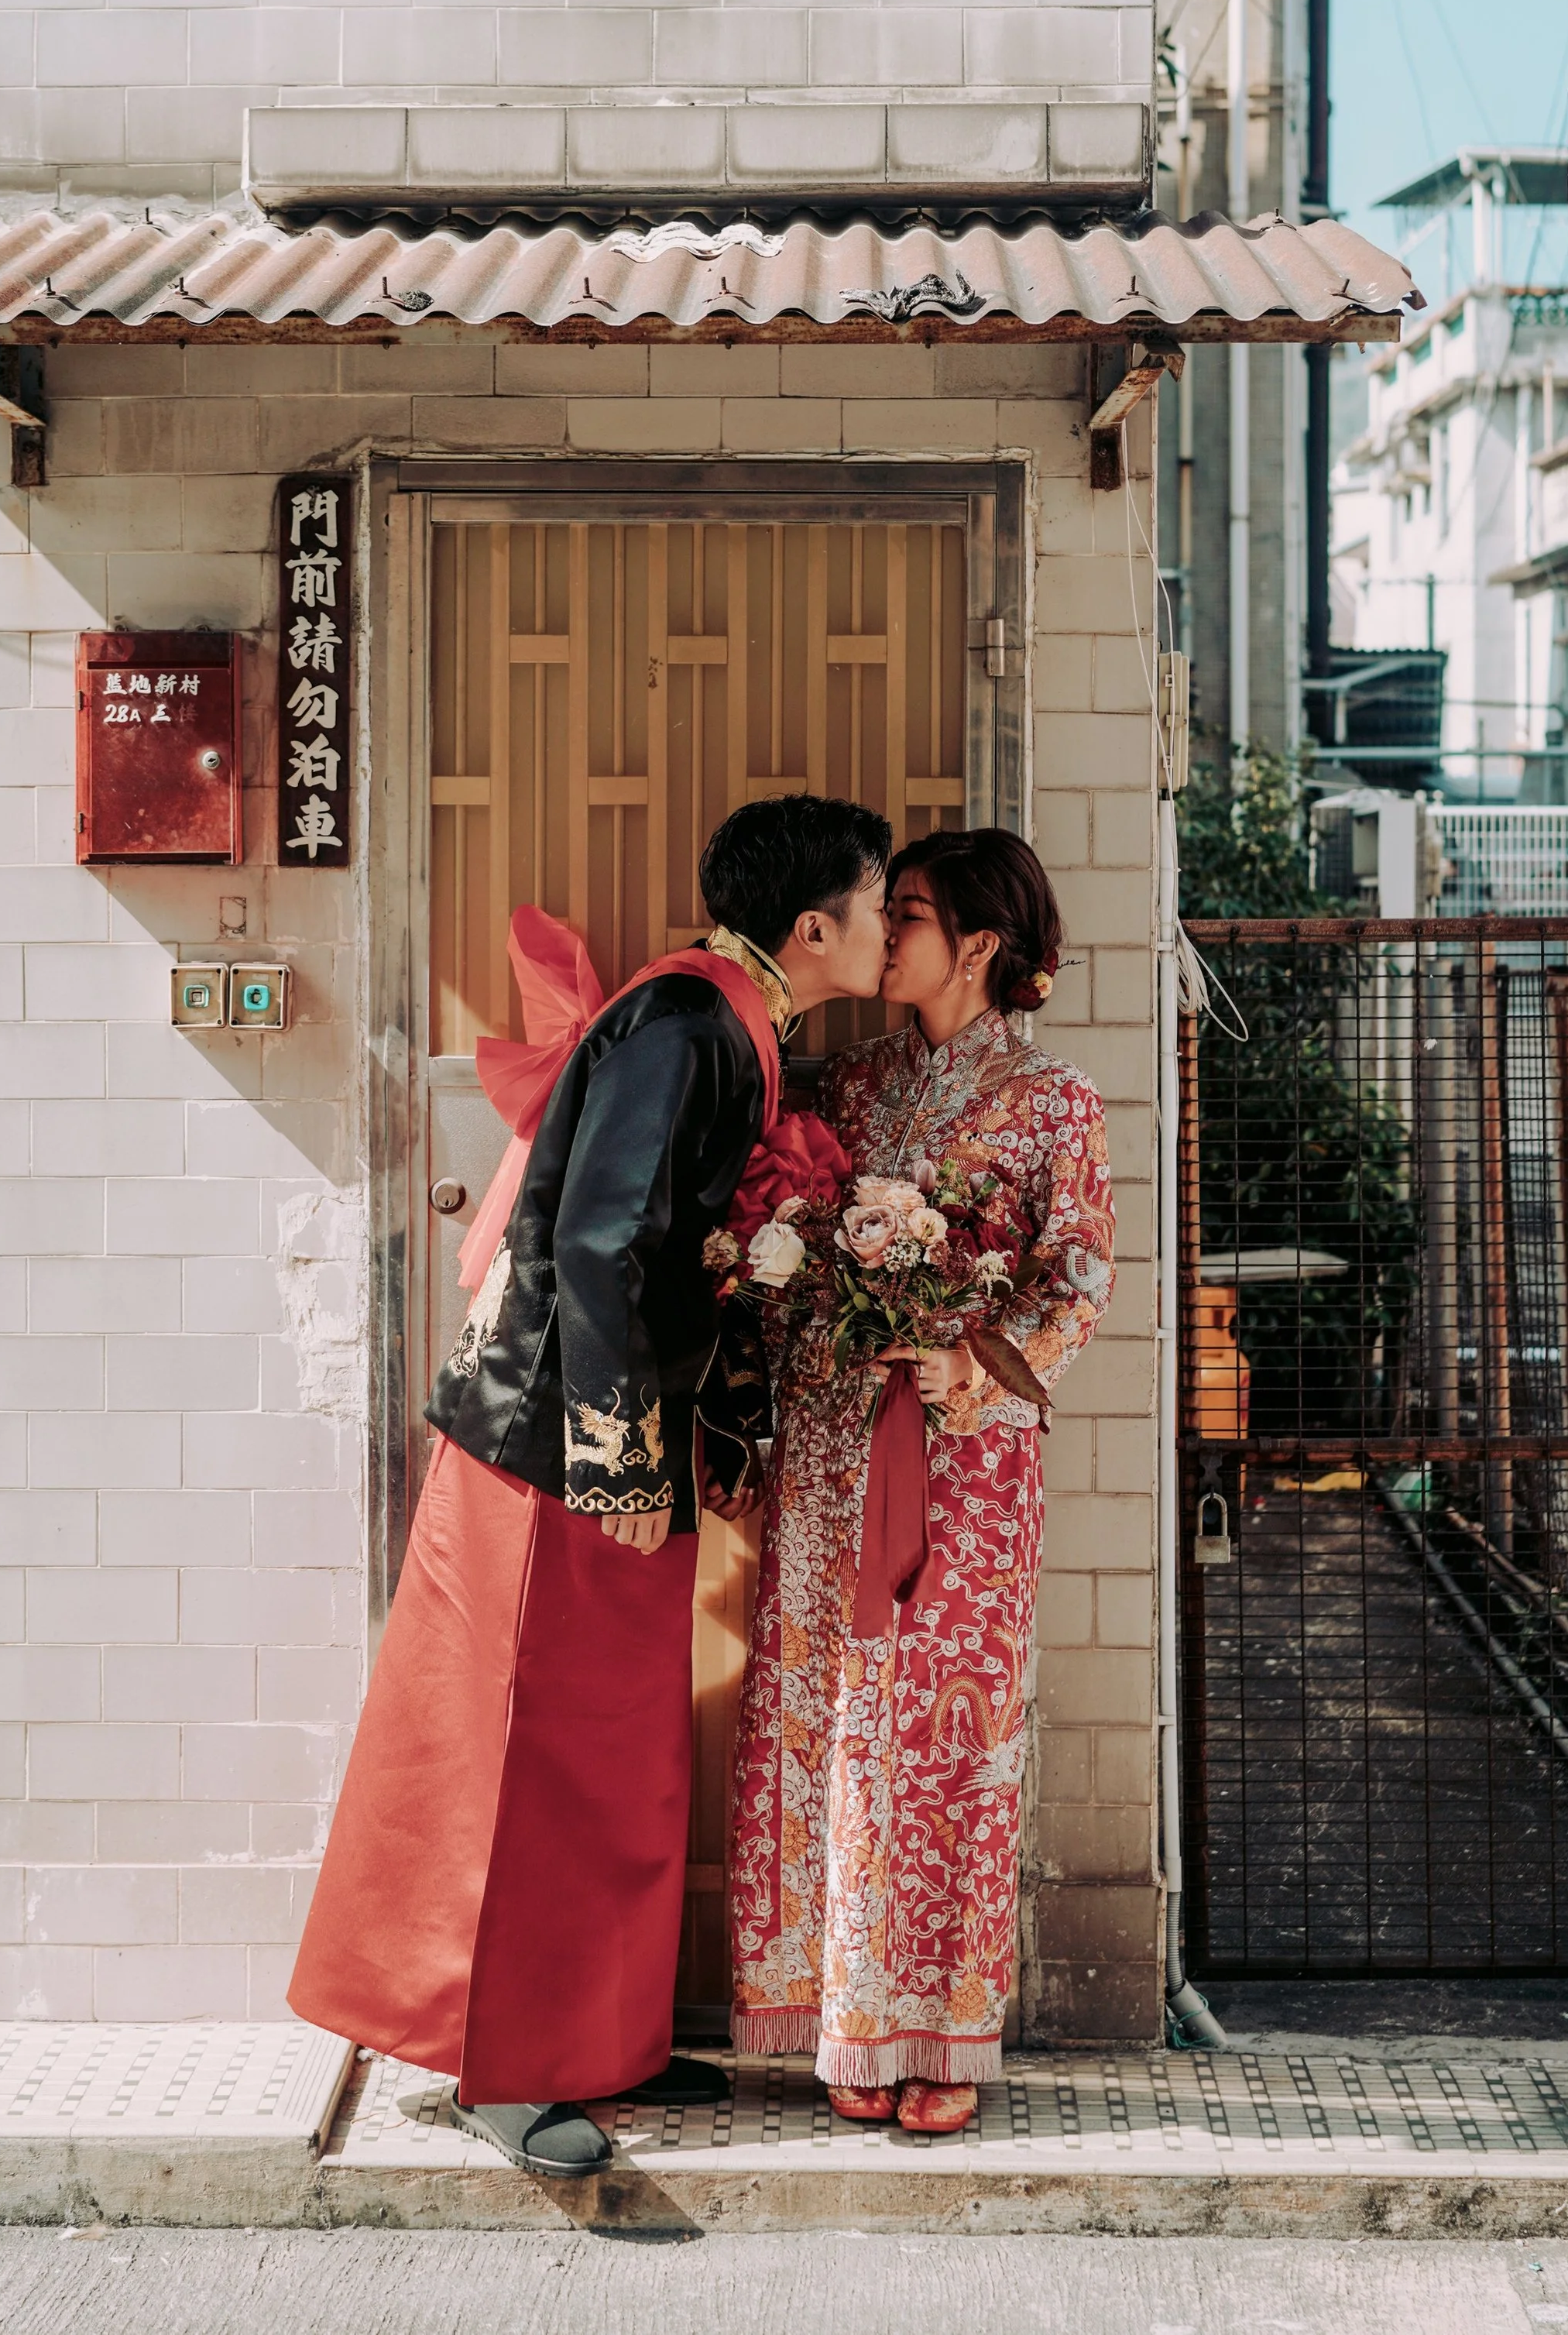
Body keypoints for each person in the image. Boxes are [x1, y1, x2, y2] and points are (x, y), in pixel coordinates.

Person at [288, 795, 892, 2179]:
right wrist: (619, 1448)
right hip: (551, 1452)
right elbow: (605, 1243)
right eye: (873, 900)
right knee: (522, 1754)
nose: (882, 921)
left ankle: (601, 2038)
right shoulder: (686, 1027)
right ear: (814, 928)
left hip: (603, 1445)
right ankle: (506, 2068)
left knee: (609, 1751)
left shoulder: (724, 1023)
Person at [729, 828, 1115, 2133]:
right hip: (835, 1452)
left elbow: (1080, 1280)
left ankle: (942, 2043)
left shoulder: (1056, 1103)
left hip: (965, 1463)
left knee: (944, 1741)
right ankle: (845, 2019)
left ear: (981, 945)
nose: (884, 933)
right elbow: (778, 1244)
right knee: (831, 1725)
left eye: (908, 913)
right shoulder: (839, 1088)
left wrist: (973, 1364)